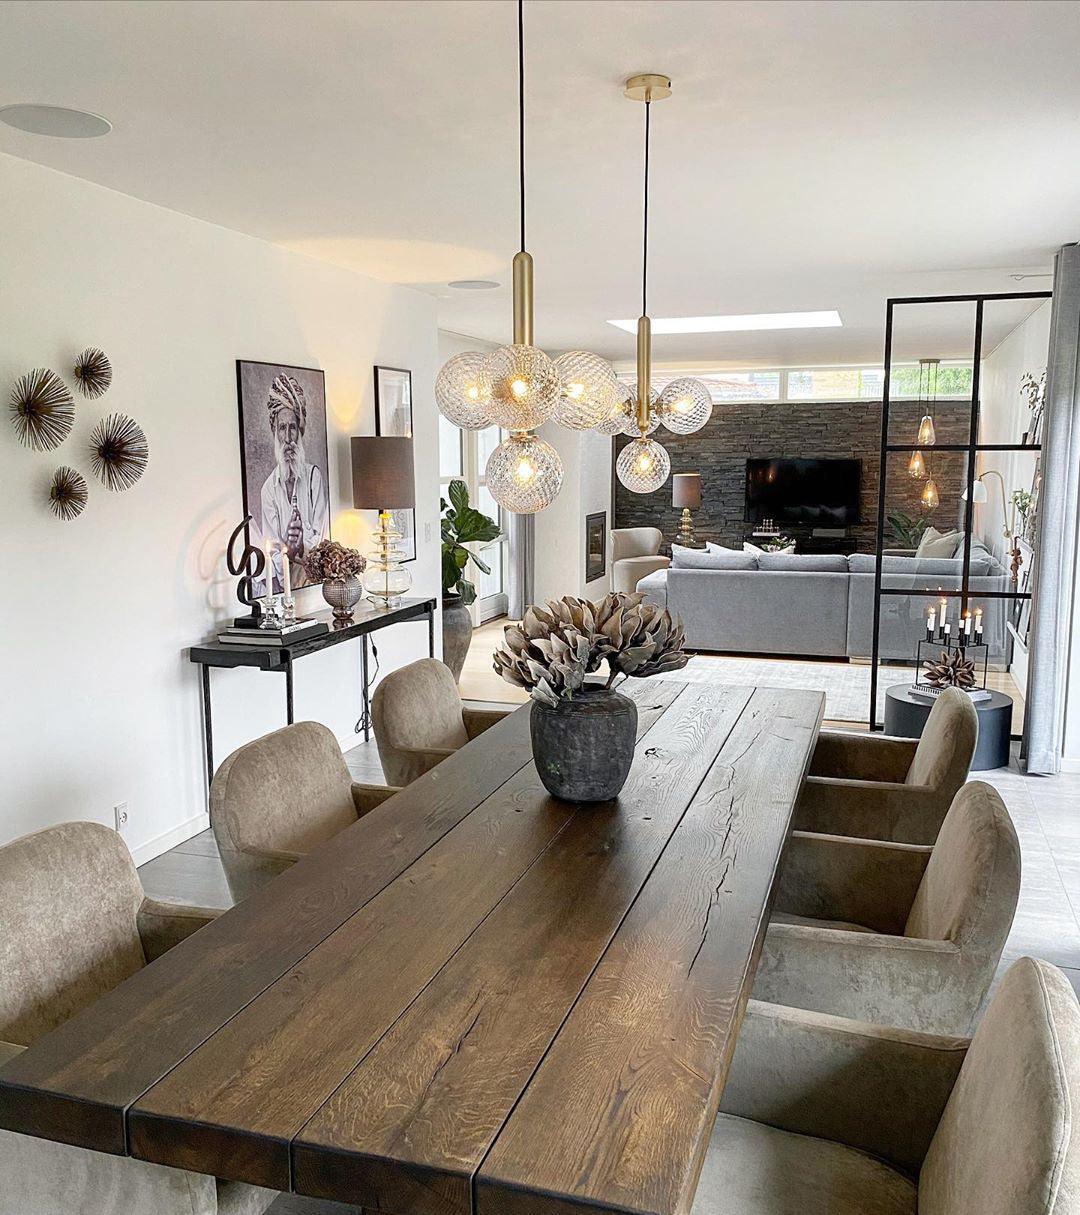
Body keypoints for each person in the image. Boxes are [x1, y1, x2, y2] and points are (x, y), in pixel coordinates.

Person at [258, 373, 328, 590]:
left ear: (300, 430)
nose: (288, 438)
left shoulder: (313, 477)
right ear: (275, 431)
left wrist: (301, 544)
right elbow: (273, 553)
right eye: (282, 428)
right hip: (286, 588)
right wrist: (290, 549)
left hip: (315, 583)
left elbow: (322, 538)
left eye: (292, 428)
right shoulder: (268, 490)